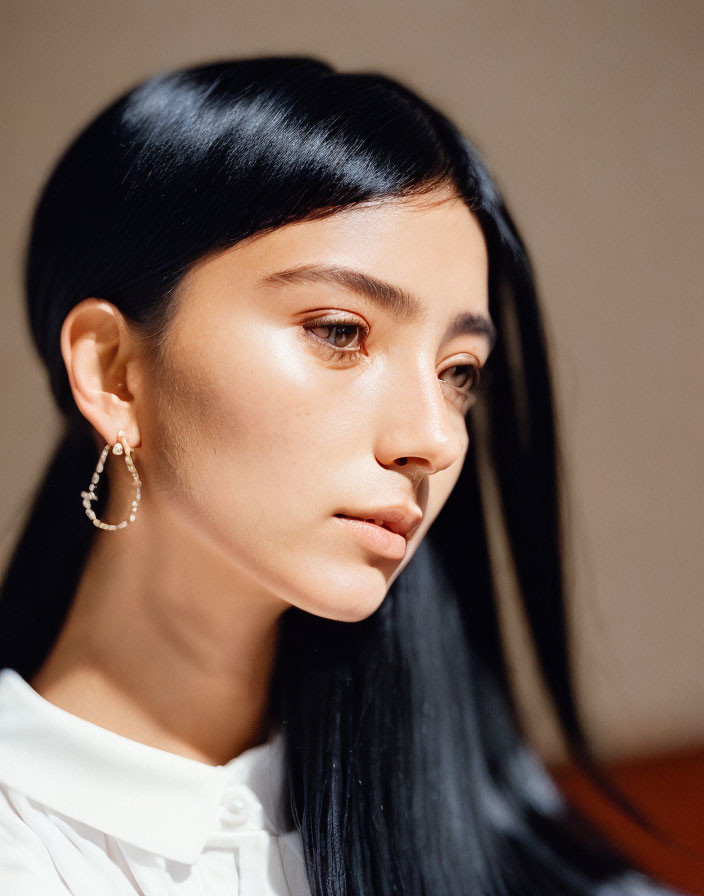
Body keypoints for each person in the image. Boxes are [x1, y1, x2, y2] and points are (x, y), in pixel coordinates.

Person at [0, 56, 684, 895]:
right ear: (114, 373)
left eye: (458, 371)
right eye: (338, 331)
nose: (432, 438)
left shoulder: (511, 852)